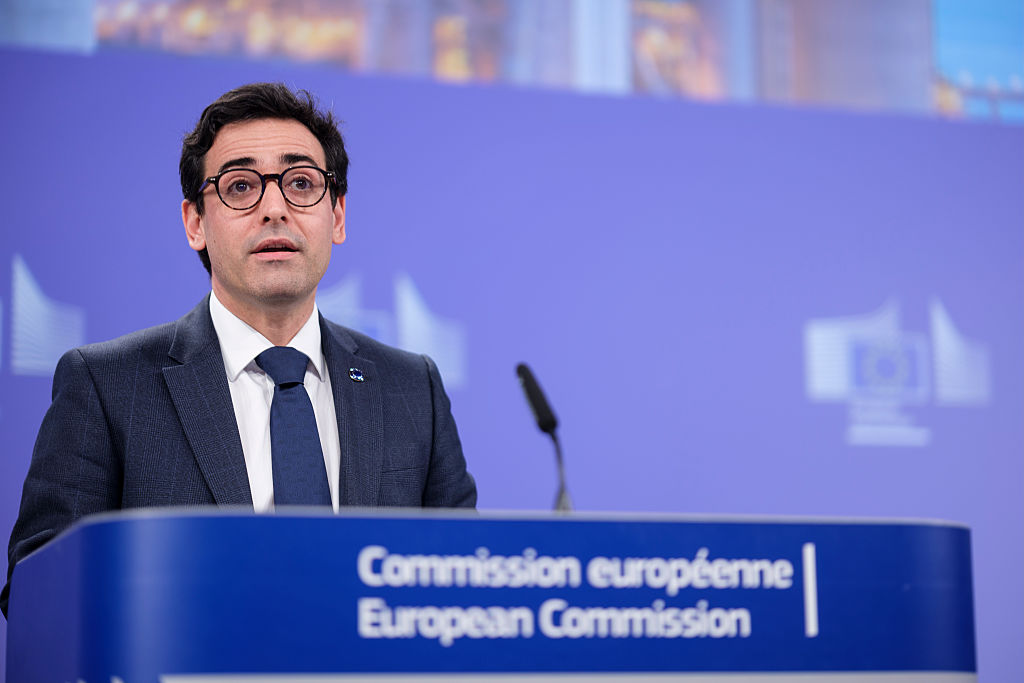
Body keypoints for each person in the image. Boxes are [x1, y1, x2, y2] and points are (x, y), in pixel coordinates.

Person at [1, 83, 476, 617]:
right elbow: (39, 594)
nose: (274, 208)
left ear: (337, 216)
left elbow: (457, 592)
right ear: (195, 223)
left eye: (301, 183)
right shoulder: (107, 385)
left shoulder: (413, 389)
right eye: (241, 186)